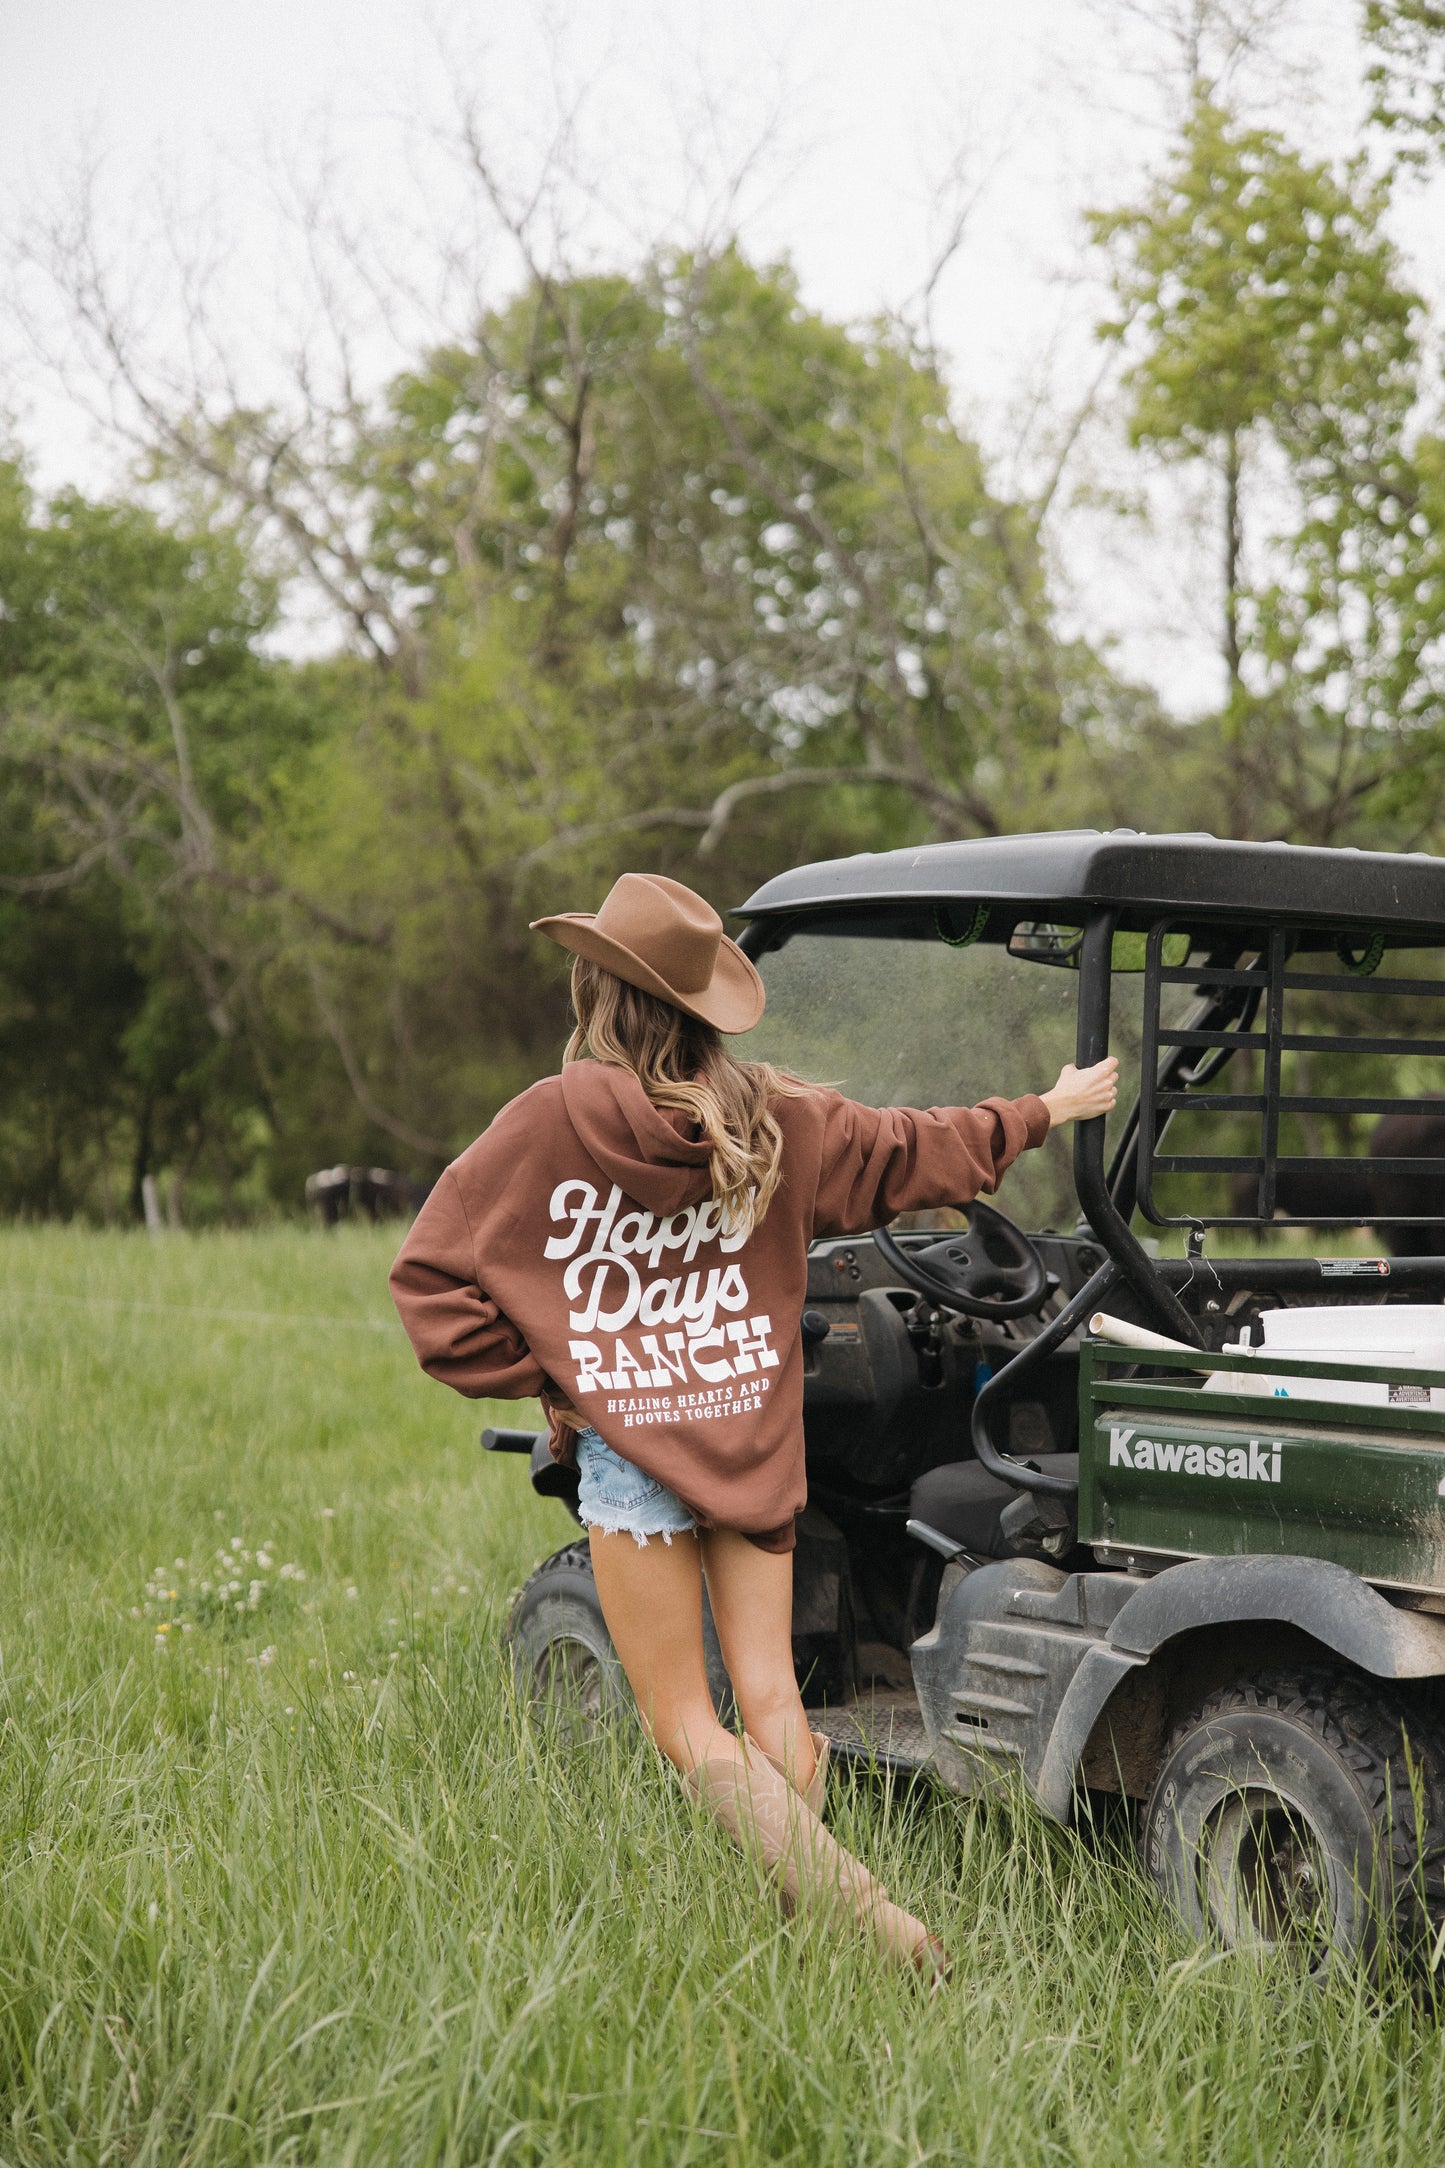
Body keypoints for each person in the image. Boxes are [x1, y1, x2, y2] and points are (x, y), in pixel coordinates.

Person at [389, 871, 1118, 1982]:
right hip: (756, 1443)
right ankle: (807, 1926)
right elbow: (912, 1148)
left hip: (636, 1463)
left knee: (687, 1725)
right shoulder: (777, 1116)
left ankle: (872, 1922)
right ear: (702, 1007)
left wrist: (572, 1377)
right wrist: (1042, 1110)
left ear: (597, 993)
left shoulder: (546, 1121)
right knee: (773, 1696)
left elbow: (432, 1288)